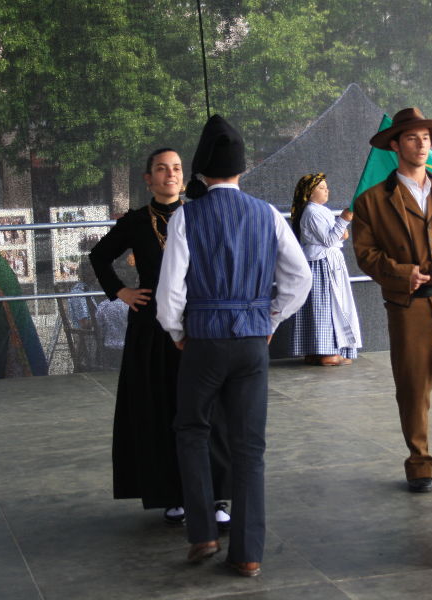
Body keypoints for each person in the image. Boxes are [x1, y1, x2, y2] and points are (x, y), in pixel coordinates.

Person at [156, 115, 311, 577]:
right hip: (251, 342)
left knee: (192, 431)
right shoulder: (268, 215)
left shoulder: (185, 216)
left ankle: (203, 533)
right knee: (249, 447)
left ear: (201, 172)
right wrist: (270, 318)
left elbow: (170, 294)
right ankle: (247, 554)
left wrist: (177, 332)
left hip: (203, 341)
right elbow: (300, 279)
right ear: (243, 169)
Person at [90, 148, 233, 528]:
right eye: (161, 169)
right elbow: (99, 256)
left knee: (209, 409)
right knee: (160, 407)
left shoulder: (202, 214)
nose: (170, 174)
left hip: (199, 323)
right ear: (148, 179)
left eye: (176, 168)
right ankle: (173, 494)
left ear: (184, 176)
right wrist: (121, 292)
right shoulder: (137, 222)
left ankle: (217, 496)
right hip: (151, 329)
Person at [352, 107, 432, 494]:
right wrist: (400, 272)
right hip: (408, 305)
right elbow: (365, 254)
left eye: (425, 138)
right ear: (395, 146)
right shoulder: (371, 201)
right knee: (413, 387)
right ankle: (419, 462)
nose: (421, 144)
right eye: (412, 138)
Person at [289, 173, 362, 366]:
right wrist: (344, 219)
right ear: (309, 193)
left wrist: (340, 228)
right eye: (321, 188)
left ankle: (318, 351)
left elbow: (336, 235)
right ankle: (326, 352)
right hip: (322, 264)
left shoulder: (321, 211)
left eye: (326, 187)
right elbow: (329, 240)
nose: (326, 190)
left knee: (326, 305)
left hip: (328, 262)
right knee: (326, 306)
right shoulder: (312, 212)